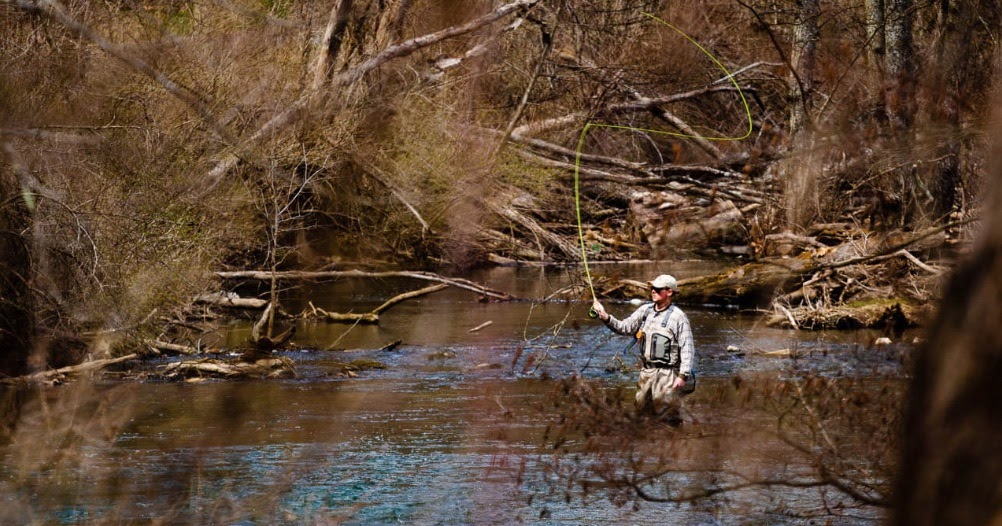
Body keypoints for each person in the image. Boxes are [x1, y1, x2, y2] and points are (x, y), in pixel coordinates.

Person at [591, 274, 695, 424]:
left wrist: (683, 376)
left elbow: (687, 348)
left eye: (658, 289)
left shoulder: (679, 317)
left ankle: (673, 438)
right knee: (641, 416)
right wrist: (605, 316)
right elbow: (624, 327)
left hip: (668, 375)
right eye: (653, 288)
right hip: (646, 373)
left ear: (669, 292)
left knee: (667, 418)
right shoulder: (645, 311)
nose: (653, 291)